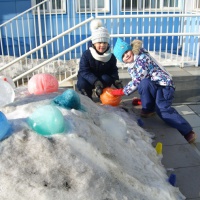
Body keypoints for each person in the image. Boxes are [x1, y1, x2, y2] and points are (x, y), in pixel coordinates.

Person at [111, 38, 197, 144]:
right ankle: (149, 108)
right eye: (123, 55)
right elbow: (141, 82)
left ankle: (187, 131)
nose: (126, 55)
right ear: (122, 60)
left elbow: (138, 79)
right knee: (144, 84)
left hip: (164, 86)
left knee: (162, 110)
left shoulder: (142, 58)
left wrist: (121, 92)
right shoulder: (132, 66)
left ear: (130, 49)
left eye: (126, 52)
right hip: (154, 85)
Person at [77, 19, 123, 100]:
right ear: (94, 43)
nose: (102, 45)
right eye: (99, 42)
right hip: (88, 78)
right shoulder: (86, 54)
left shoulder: (111, 56)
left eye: (105, 43)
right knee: (82, 83)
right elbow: (84, 71)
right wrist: (95, 82)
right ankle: (88, 98)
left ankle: (102, 95)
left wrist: (116, 81)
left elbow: (113, 70)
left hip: (102, 77)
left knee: (108, 79)